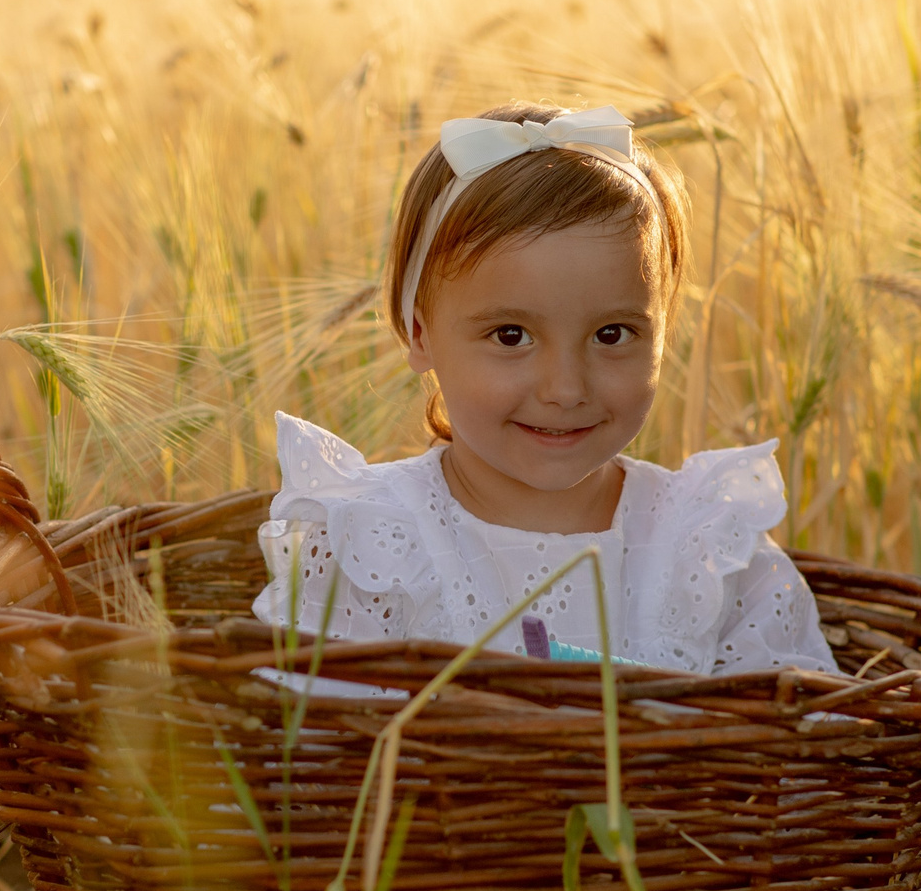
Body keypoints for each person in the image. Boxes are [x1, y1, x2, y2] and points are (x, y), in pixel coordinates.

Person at [253, 101, 837, 675]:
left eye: (612, 334)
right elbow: (321, 747)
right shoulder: (370, 545)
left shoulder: (710, 548)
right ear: (419, 331)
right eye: (511, 336)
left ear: (665, 333)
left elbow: (803, 749)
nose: (565, 388)